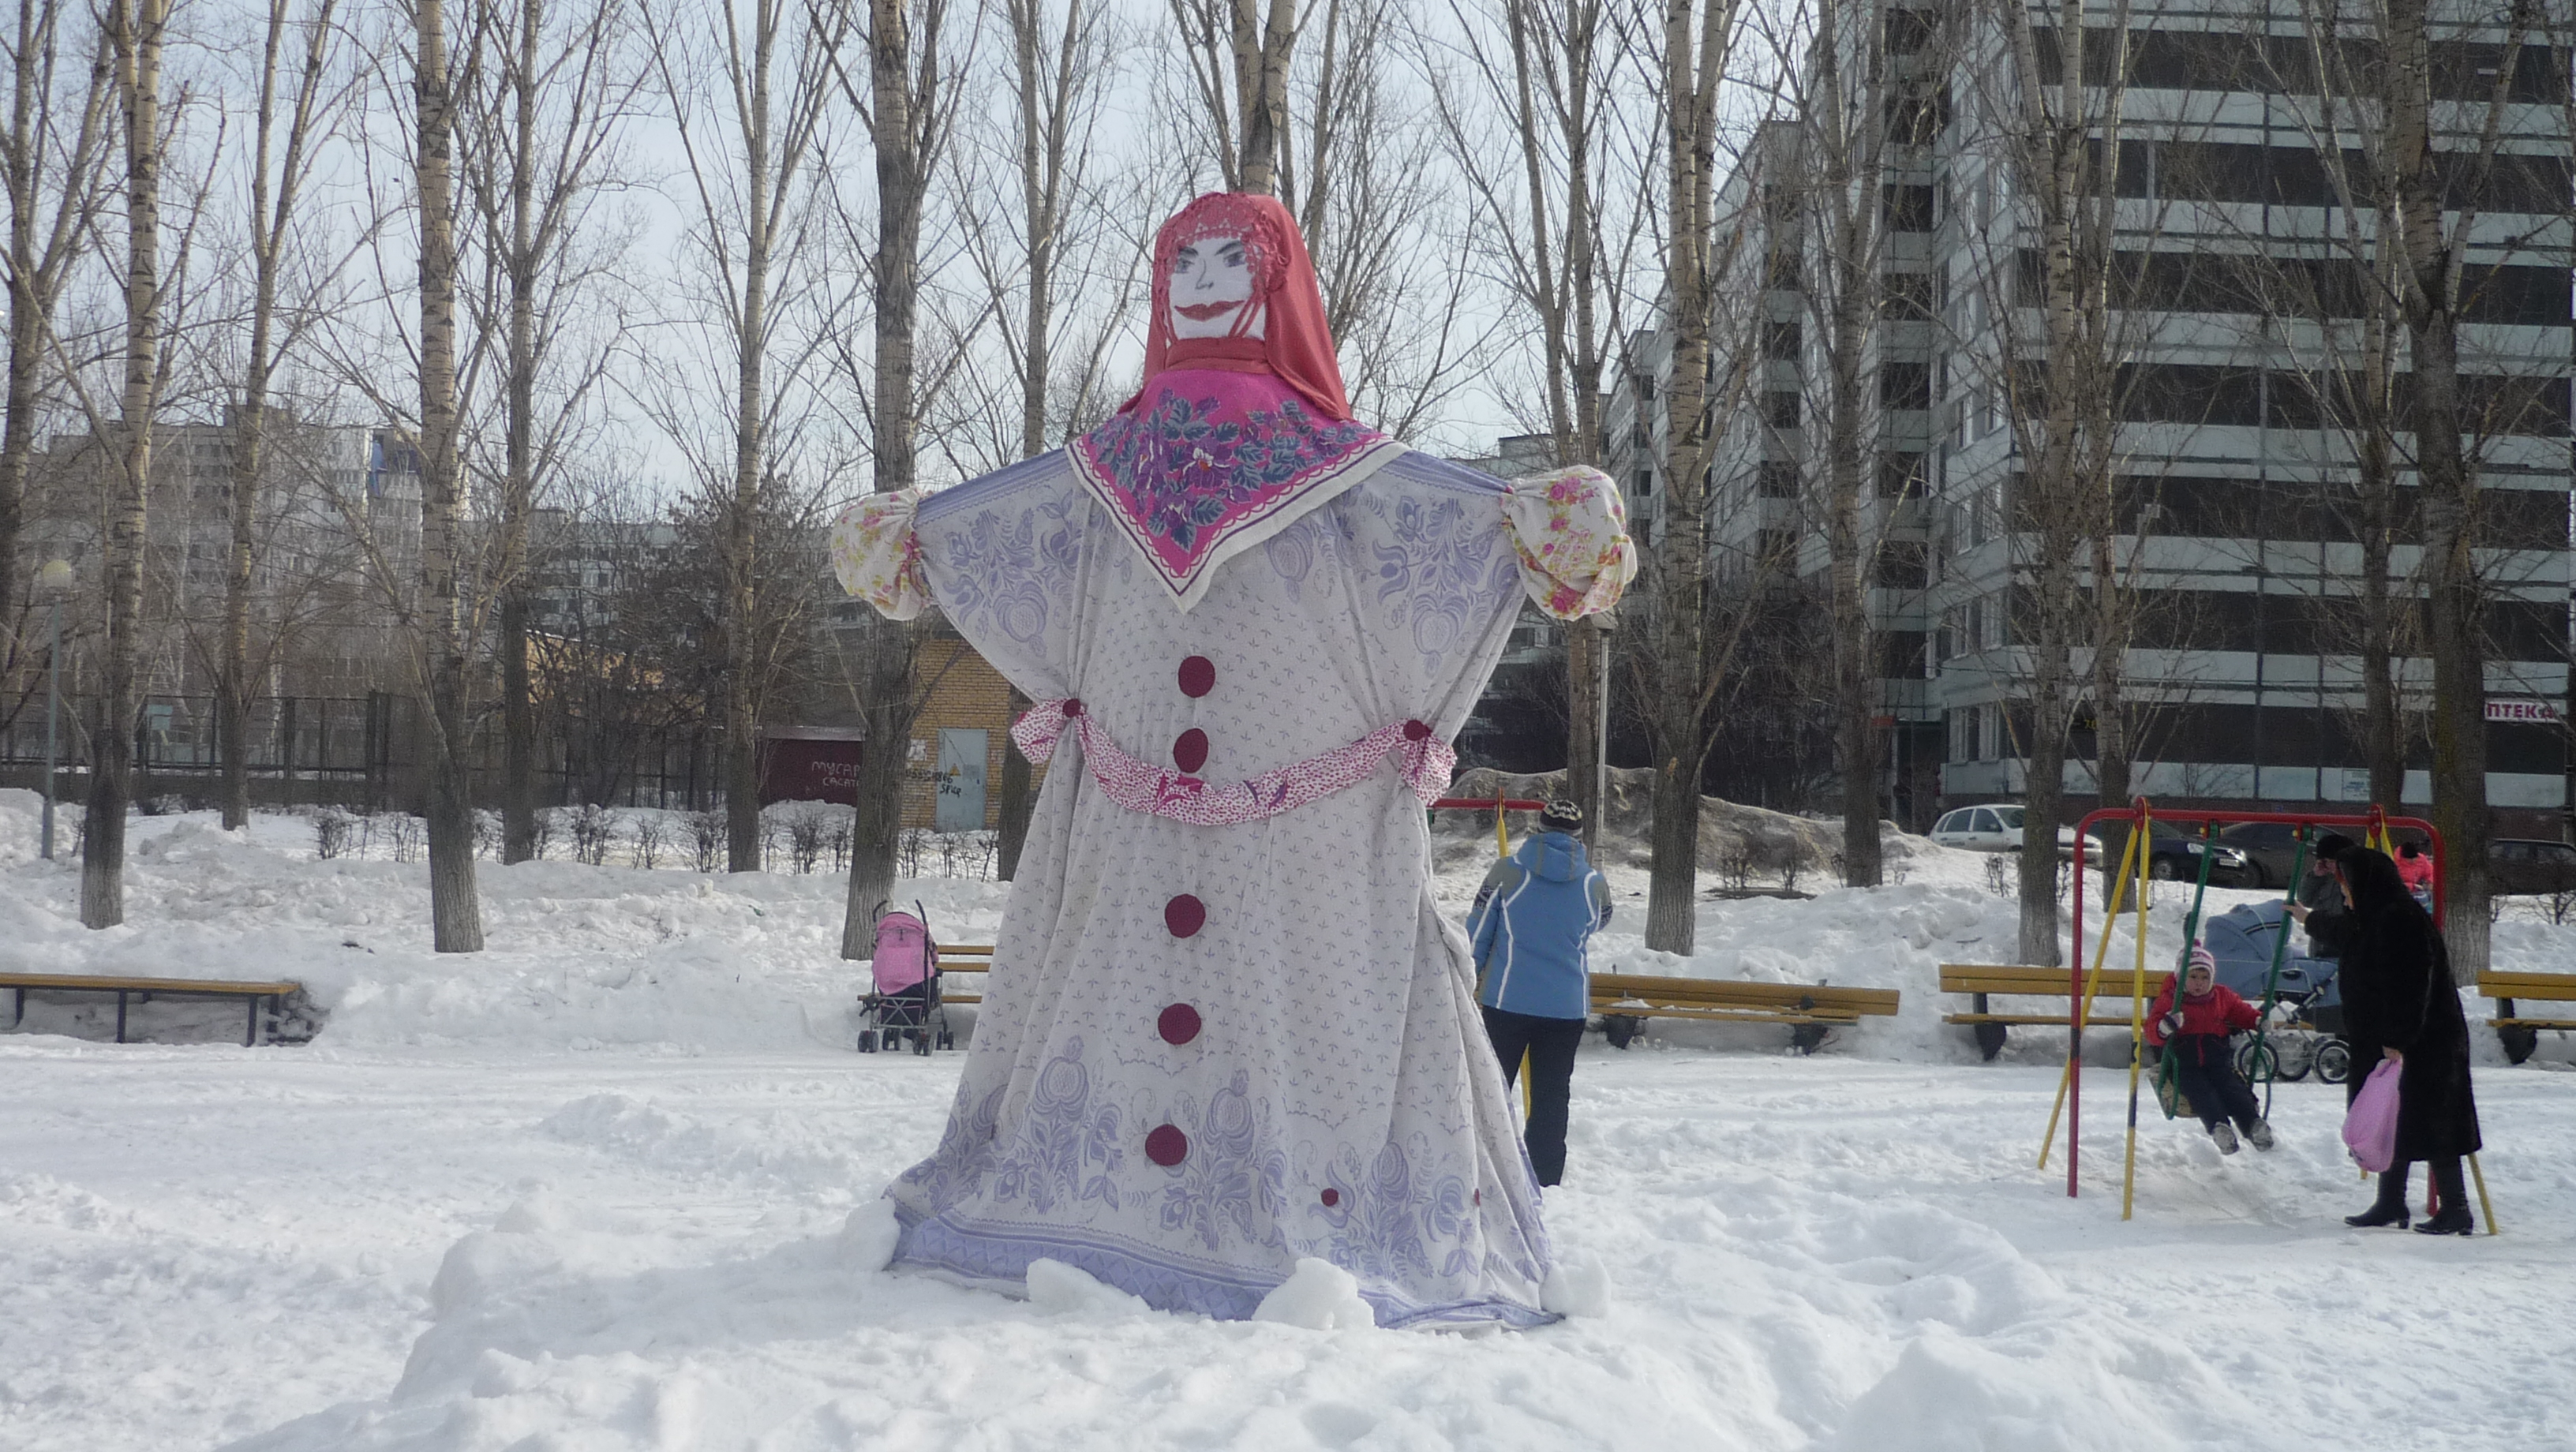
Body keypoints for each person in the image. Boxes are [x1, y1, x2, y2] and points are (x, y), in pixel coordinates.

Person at [827, 192, 1635, 1326]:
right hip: (1144, 832)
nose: (1203, 280)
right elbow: (1014, 522)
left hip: (1300, 848)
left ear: (1277, 283)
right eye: (1182, 260)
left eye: (1230, 259)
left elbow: (1438, 516)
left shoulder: (1346, 477)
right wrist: (921, 536)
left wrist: (1527, 522)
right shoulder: (1106, 473)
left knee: (1275, 1013)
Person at [2290, 836, 2484, 1235]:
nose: (2343, 891)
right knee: (2390, 1119)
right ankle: (2390, 1201)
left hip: (2421, 1042)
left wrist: (2398, 1038)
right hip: (2386, 1041)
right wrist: (2306, 916)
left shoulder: (2399, 918)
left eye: (2346, 884)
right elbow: (2344, 930)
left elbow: (2414, 982)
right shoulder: (2374, 915)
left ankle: (2456, 1208)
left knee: (2433, 1121)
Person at [1466, 799, 1613, 1188]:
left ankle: (1484, 1172)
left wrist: (1466, 981)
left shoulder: (1506, 873)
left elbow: (1477, 935)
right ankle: (1546, 1178)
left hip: (1507, 1002)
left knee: (1492, 1091)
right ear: (1579, 839)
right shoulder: (1593, 884)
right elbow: (1602, 921)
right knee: (1552, 1096)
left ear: (1538, 829)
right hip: (1566, 1008)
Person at [2146, 944, 2275, 1153]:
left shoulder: (2221, 996)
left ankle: (2253, 1125)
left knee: (2234, 1090)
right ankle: (2219, 1129)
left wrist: (2257, 1021)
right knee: (2202, 1094)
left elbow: (2241, 1012)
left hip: (2217, 1060)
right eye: (2193, 977)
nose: (2199, 983)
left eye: (2205, 978)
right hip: (2184, 1064)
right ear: (2180, 977)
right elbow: (2151, 1032)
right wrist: (2165, 1027)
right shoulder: (2171, 1000)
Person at [2394, 840, 2436, 906]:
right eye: (2410, 859)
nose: (2413, 861)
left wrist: (2430, 882)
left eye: (2415, 858)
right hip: (2400, 893)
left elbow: (2430, 871)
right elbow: (2393, 883)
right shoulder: (2395, 863)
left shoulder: (2421, 859)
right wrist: (2412, 886)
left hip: (2417, 891)